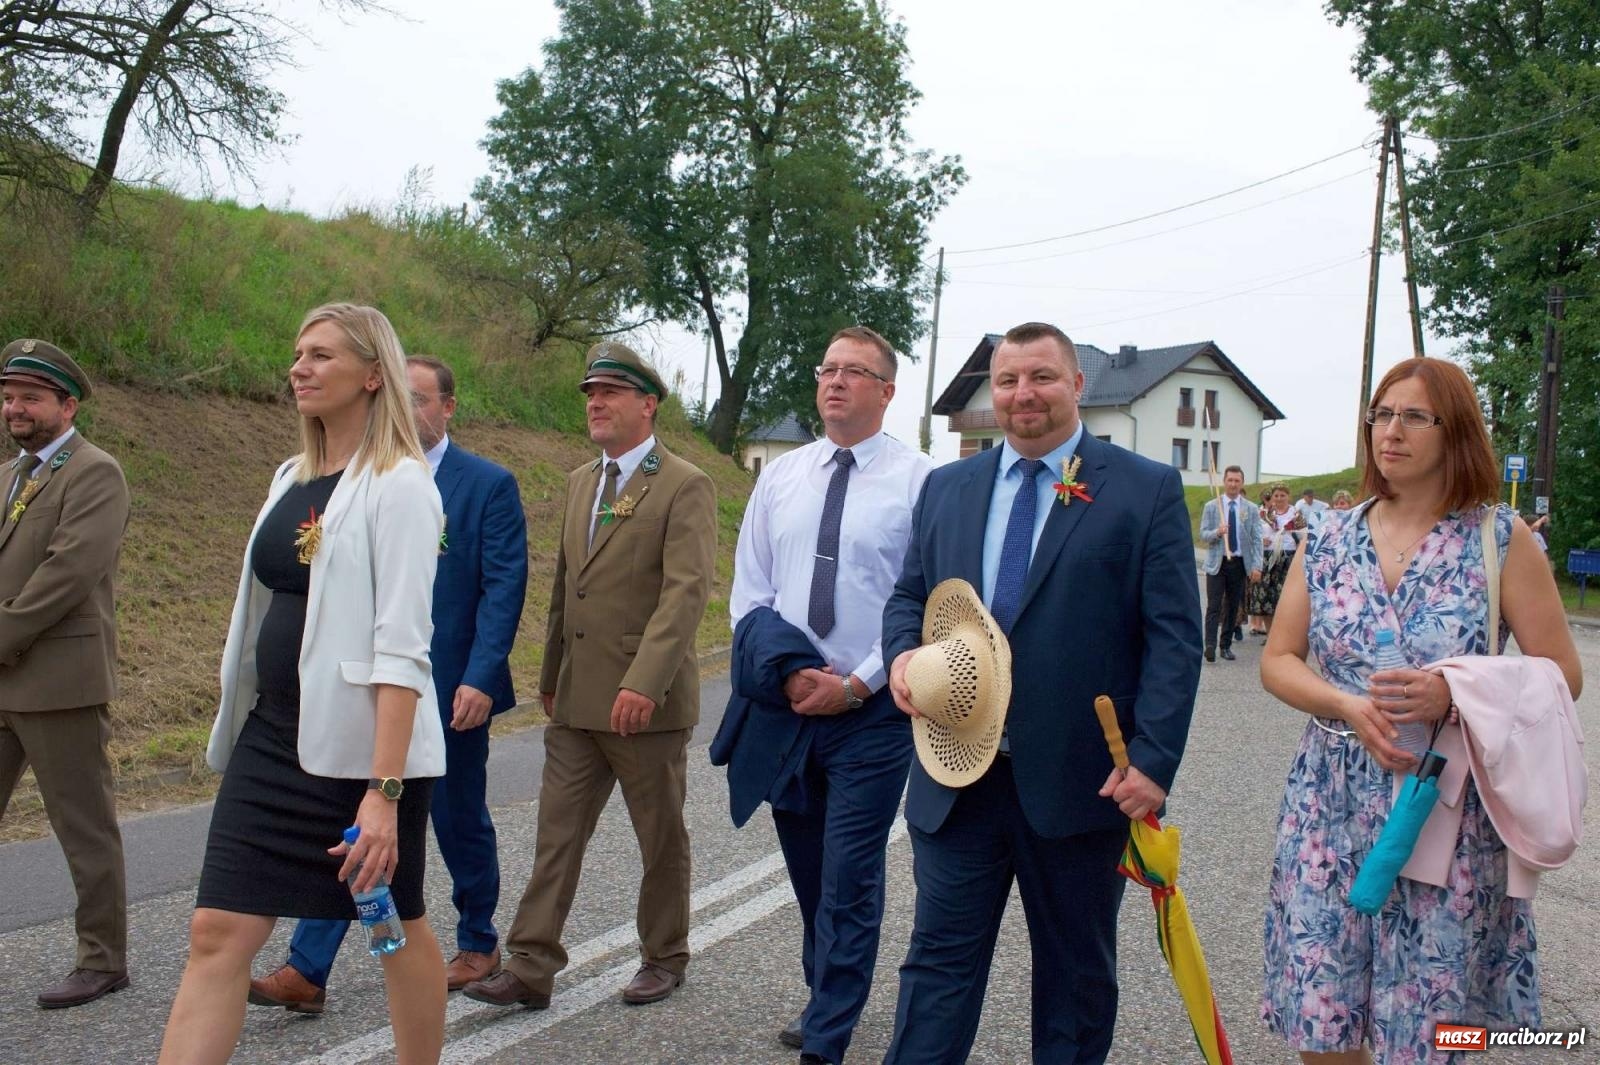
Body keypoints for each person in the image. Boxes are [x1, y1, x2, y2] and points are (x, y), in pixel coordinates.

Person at [881, 322, 1202, 1064]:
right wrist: (904, 658)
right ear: (992, 392)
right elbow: (909, 595)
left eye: (1042, 377)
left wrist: (1152, 760)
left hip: (1084, 785)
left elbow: (1174, 640)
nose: (1023, 394)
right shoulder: (947, 487)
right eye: (1007, 380)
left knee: (1077, 981)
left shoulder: (1143, 488)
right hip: (958, 779)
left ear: (1078, 384)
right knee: (936, 970)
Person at [1260, 358, 1582, 1064]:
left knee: (1430, 1030)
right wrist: (1346, 704)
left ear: (1455, 431)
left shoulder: (1501, 540)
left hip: (1446, 811)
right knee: (1326, 1013)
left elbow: (1564, 673)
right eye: (1381, 414)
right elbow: (1278, 658)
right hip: (1330, 801)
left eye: (1414, 416)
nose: (1390, 431)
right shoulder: (1329, 536)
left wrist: (1458, 693)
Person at [158, 304, 447, 1064]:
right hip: (273, 737)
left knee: (392, 925)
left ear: (372, 374)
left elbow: (402, 649)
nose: (299, 367)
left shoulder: (404, 485)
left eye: (320, 354)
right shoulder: (292, 475)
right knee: (216, 931)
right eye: (296, 354)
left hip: (361, 758)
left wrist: (382, 794)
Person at [249, 355, 529, 1012]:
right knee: (355, 827)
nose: (405, 409)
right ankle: (307, 968)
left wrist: (483, 677)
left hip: (449, 689)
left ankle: (478, 939)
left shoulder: (485, 484)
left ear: (448, 407)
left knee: (458, 820)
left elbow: (503, 588)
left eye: (420, 398)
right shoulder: (356, 481)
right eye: (396, 397)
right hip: (367, 690)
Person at [465, 341, 716, 1011]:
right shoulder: (583, 481)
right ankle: (530, 963)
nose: (596, 403)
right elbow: (563, 590)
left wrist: (645, 679)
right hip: (576, 698)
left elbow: (685, 593)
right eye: (589, 394)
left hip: (645, 703)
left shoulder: (683, 483)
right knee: (557, 833)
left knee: (659, 835)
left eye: (609, 392)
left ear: (647, 404)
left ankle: (664, 954)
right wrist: (551, 672)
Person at [713, 326, 929, 1065]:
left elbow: (922, 599)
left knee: (849, 874)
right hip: (790, 703)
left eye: (855, 371)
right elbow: (752, 592)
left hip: (873, 710)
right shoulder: (782, 476)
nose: (835, 381)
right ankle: (825, 990)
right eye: (827, 367)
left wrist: (858, 681)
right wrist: (791, 675)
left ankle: (828, 1034)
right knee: (809, 871)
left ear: (887, 390)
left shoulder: (919, 480)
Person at [0, 340, 131, 1009]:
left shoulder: (95, 472)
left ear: (66, 404)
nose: (14, 408)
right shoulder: (8, 475)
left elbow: (69, 570)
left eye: (28, 397)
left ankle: (104, 958)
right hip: (4, 677)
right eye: (8, 396)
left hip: (60, 681)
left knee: (83, 827)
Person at [1198, 464, 1262, 662]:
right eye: (1230, 480)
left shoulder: (1250, 509)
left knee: (1232, 605)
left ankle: (1225, 645)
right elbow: (1203, 534)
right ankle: (1209, 645)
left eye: (1237, 481)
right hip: (1217, 563)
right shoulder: (1212, 506)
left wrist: (1256, 565)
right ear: (1224, 482)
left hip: (1239, 562)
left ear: (1242, 483)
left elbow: (1257, 538)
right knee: (1214, 605)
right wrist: (1217, 532)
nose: (1233, 484)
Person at [1248, 482, 1303, 635]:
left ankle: (1285, 634)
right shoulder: (1264, 514)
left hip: (1288, 558)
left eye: (1282, 495)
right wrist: (1260, 541)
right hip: (1267, 558)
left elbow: (1305, 536)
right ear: (1272, 497)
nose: (1279, 499)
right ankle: (1271, 634)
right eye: (1276, 495)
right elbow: (1253, 534)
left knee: (1286, 599)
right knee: (1266, 599)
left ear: (1288, 496)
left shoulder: (1296, 515)